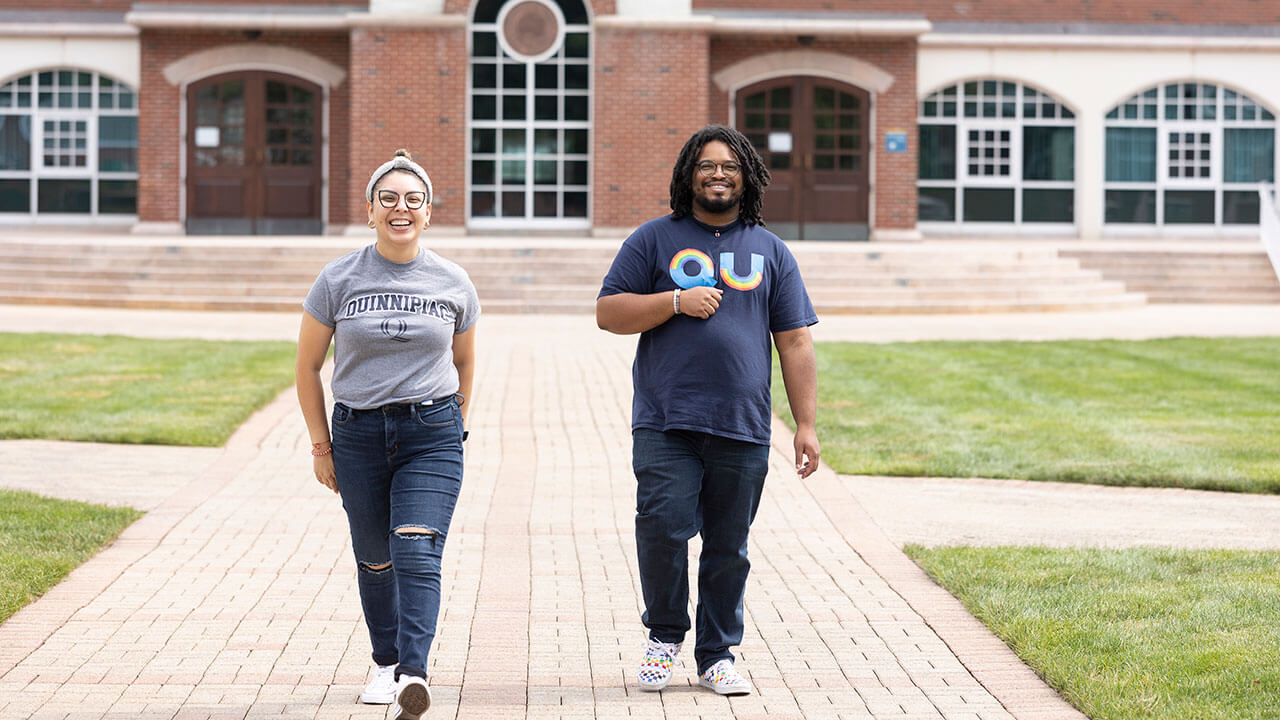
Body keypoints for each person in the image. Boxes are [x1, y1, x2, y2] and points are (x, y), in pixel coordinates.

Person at [595, 125, 820, 696]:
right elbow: (609, 313)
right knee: (663, 527)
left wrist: (806, 425)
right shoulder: (652, 240)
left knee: (728, 545)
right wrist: (675, 301)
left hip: (743, 424)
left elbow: (794, 341)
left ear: (747, 176)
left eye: (729, 166)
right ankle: (665, 634)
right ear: (687, 175)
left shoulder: (770, 250)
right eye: (706, 165)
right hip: (666, 419)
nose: (718, 174)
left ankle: (716, 653)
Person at [296, 149, 479, 720]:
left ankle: (413, 673)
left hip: (433, 431)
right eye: (390, 199)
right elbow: (306, 368)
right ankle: (384, 660)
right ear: (370, 209)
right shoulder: (338, 278)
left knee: (416, 546)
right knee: (375, 557)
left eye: (413, 200)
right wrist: (321, 445)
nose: (402, 208)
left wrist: (458, 425)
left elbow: (465, 361)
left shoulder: (453, 280)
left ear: (428, 213)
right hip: (357, 436)